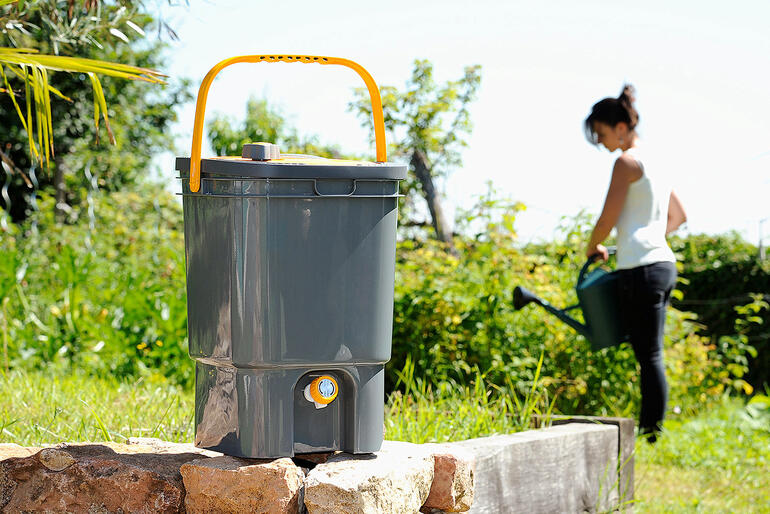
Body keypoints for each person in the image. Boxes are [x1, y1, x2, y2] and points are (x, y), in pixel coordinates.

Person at [583, 85, 687, 443]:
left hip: (641, 269)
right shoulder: (657, 163)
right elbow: (679, 216)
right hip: (662, 264)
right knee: (651, 352)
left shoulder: (626, 163)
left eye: (602, 131)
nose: (599, 139)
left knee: (650, 355)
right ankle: (651, 430)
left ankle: (651, 434)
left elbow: (607, 217)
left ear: (621, 127)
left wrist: (594, 245)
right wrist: (644, 238)